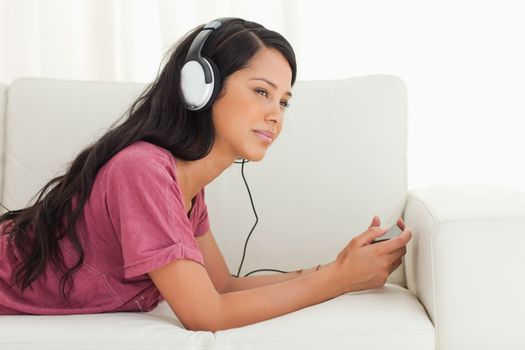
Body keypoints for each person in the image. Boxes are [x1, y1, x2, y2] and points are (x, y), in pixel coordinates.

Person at [0, 18, 412, 331]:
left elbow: (222, 287)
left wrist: (336, 268)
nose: (275, 114)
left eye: (284, 102)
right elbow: (206, 314)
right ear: (201, 87)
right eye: (261, 91)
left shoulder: (186, 189)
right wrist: (337, 281)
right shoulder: (142, 170)